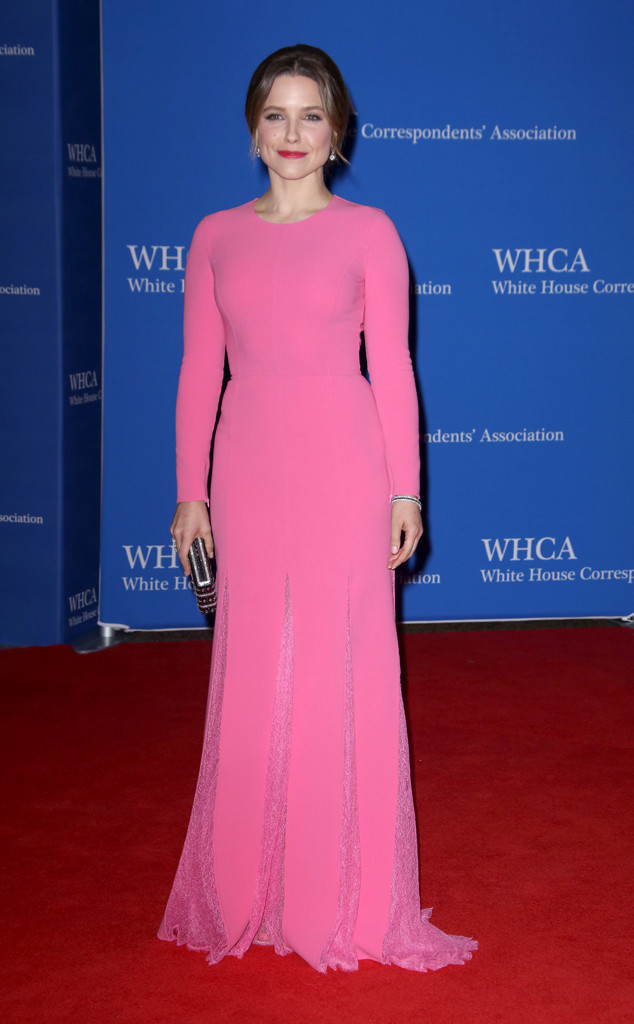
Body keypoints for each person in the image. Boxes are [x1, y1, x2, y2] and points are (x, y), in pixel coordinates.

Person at [158, 43, 477, 973]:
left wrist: (405, 486)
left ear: (337, 133)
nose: (291, 134)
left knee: (350, 673)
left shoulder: (371, 232)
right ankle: (244, 886)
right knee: (254, 673)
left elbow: (395, 370)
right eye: (275, 114)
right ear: (253, 128)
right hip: (247, 471)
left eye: (310, 116)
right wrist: (190, 493)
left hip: (346, 468)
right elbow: (196, 372)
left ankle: (348, 898)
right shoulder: (214, 234)